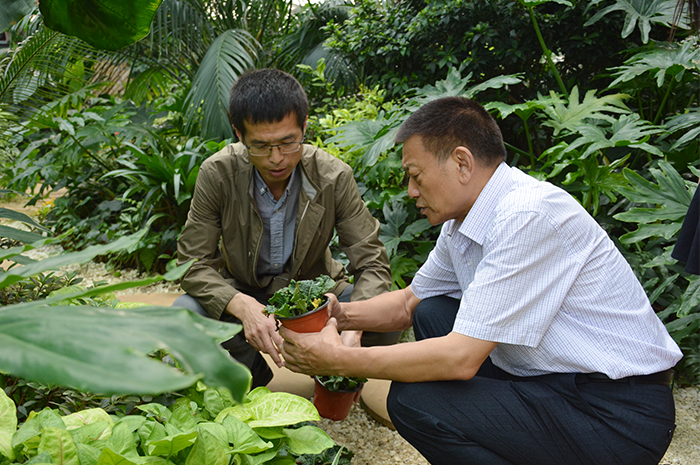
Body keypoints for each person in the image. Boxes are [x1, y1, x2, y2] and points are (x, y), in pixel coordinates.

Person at [280, 96, 683, 465]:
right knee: (434, 312)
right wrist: (338, 313)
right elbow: (407, 304)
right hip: (556, 386)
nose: (411, 191)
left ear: (461, 162)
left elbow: (460, 358)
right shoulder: (464, 222)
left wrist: (341, 360)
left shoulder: (526, 215)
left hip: (617, 416)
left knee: (414, 401)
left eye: (416, 176)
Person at [175, 68, 395, 389]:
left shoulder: (334, 176)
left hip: (314, 296)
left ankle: (333, 375)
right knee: (185, 316)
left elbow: (372, 263)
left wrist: (352, 333)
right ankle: (249, 377)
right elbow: (192, 263)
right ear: (239, 134)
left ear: (304, 126)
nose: (276, 158)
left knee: (383, 320)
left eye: (288, 142)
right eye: (260, 146)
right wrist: (241, 305)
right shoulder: (217, 173)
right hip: (244, 289)